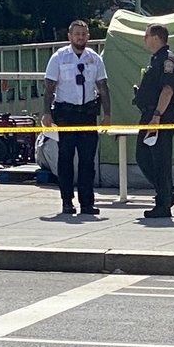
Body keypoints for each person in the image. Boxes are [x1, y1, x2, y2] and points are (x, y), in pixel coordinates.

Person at [42, 20, 111, 216]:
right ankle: (66, 202)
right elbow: (49, 87)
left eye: (83, 34)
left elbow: (103, 88)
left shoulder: (95, 58)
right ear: (69, 36)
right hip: (65, 114)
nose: (80, 37)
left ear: (88, 36)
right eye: (77, 34)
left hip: (87, 114)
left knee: (87, 161)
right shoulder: (59, 57)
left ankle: (87, 203)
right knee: (65, 159)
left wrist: (107, 115)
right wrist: (47, 112)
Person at [134, 22, 174, 219]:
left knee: (160, 160)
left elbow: (167, 90)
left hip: (158, 117)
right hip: (149, 115)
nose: (144, 40)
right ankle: (167, 193)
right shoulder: (155, 60)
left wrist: (157, 116)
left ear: (155, 38)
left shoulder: (167, 61)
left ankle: (163, 204)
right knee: (143, 156)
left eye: (146, 36)